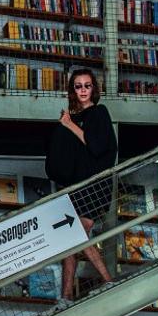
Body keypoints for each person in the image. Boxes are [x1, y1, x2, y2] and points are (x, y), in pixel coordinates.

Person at [44, 66, 116, 303]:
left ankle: (107, 281)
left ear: (93, 88)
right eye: (78, 86)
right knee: (70, 240)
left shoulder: (99, 113)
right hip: (77, 187)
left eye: (87, 85)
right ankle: (65, 297)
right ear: (72, 90)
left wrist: (68, 125)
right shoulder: (76, 118)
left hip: (94, 186)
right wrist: (68, 124)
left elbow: (95, 146)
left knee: (76, 235)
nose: (83, 90)